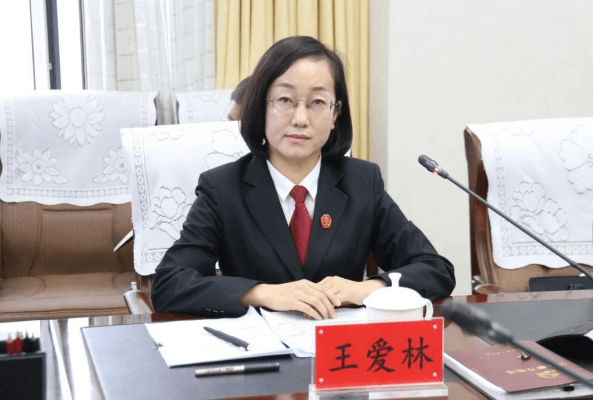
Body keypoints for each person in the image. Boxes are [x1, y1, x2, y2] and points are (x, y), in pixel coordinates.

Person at [151, 36, 455, 320]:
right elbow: (170, 284)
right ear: (261, 107)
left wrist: (365, 289)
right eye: (285, 100)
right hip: (259, 350)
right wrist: (263, 293)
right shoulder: (223, 189)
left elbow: (435, 270)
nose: (300, 119)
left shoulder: (362, 182)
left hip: (341, 348)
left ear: (335, 114)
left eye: (317, 102)